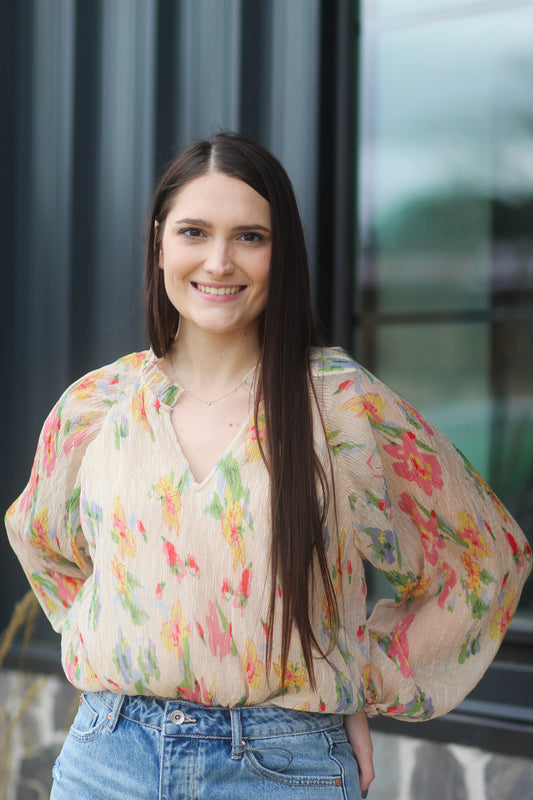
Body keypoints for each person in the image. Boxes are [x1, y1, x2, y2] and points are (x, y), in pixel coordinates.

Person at [5, 132, 531, 800]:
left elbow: (482, 557)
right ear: (160, 239)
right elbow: (43, 542)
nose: (219, 261)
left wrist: (357, 680)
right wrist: (118, 633)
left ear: (280, 254)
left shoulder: (341, 407)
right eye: (195, 232)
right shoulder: (97, 405)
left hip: (281, 768)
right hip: (107, 759)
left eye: (249, 237)